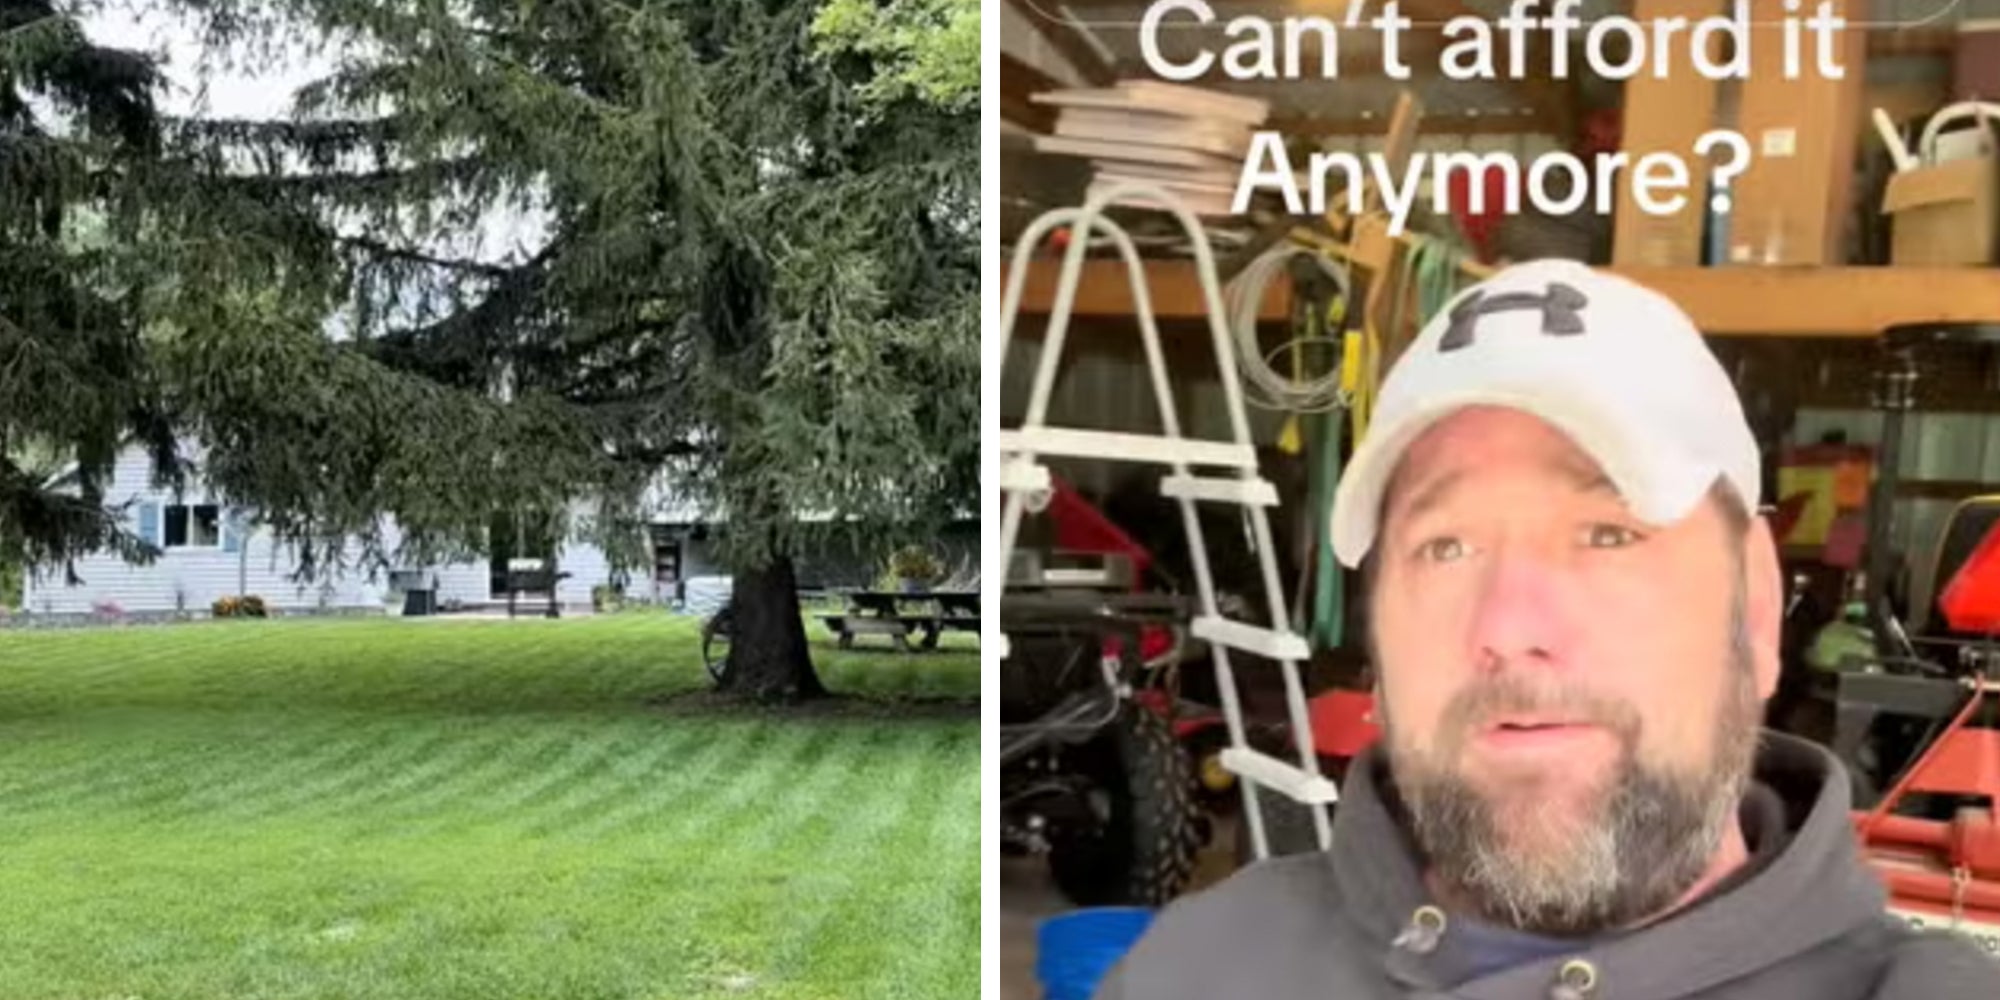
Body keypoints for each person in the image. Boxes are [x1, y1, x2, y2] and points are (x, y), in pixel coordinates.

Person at [1095, 259, 2000, 999]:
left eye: (1608, 535)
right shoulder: (1200, 965)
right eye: (1444, 546)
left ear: (1754, 605)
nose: (1510, 627)